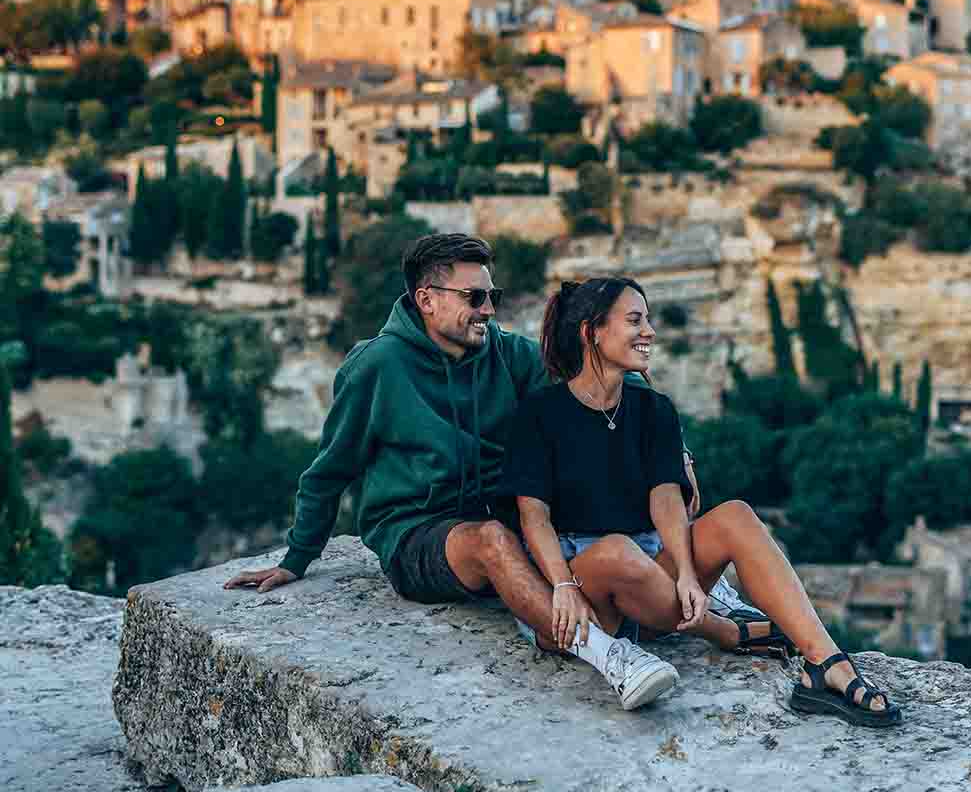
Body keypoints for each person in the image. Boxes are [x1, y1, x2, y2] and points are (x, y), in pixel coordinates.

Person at [225, 232, 767, 710]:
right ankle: (610, 657)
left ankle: (696, 592)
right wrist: (297, 558)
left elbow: (597, 385)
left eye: (493, 297)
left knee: (588, 477)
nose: (488, 309)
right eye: (475, 298)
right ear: (427, 300)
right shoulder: (377, 367)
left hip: (510, 523)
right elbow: (330, 469)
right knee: (490, 538)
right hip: (422, 533)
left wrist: (680, 457)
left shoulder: (506, 354)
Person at [499, 276, 902, 729]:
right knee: (616, 550)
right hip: (585, 593)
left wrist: (689, 574)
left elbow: (666, 498)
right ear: (592, 331)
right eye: (635, 320)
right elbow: (533, 516)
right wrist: (563, 587)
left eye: (649, 319)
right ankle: (722, 628)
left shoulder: (654, 410)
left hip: (652, 588)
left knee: (736, 517)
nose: (649, 331)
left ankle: (826, 665)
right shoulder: (541, 412)